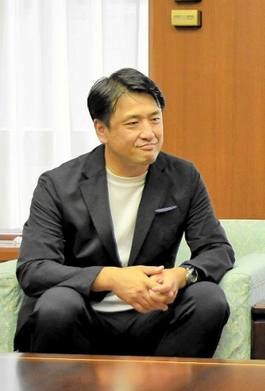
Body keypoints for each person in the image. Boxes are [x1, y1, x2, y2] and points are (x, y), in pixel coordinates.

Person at [14, 67, 234, 358]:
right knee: (57, 305)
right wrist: (111, 278)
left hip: (153, 316)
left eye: (155, 119)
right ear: (101, 129)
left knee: (208, 299)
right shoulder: (58, 184)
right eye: (133, 123)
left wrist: (182, 275)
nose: (149, 133)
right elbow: (34, 268)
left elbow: (217, 249)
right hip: (84, 314)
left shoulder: (183, 177)